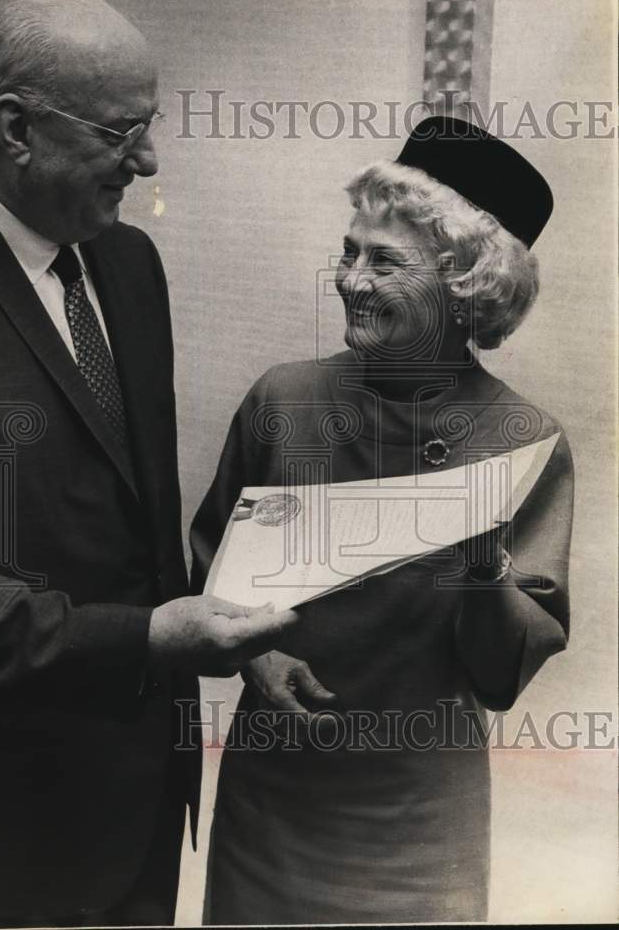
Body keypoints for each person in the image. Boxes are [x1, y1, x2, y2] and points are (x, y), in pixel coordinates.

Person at [0, 0, 295, 929]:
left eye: (148, 126)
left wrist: (236, 641)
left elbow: (137, 524)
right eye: (122, 133)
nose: (148, 160)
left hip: (145, 811)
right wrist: (151, 640)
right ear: (15, 128)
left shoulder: (128, 265)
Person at [190, 116, 574, 924]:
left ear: (465, 283)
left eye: (385, 261)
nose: (349, 279)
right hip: (275, 808)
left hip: (418, 832)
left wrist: (484, 565)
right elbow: (207, 572)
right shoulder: (282, 401)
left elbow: (501, 674)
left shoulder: (524, 441)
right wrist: (255, 657)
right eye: (349, 251)